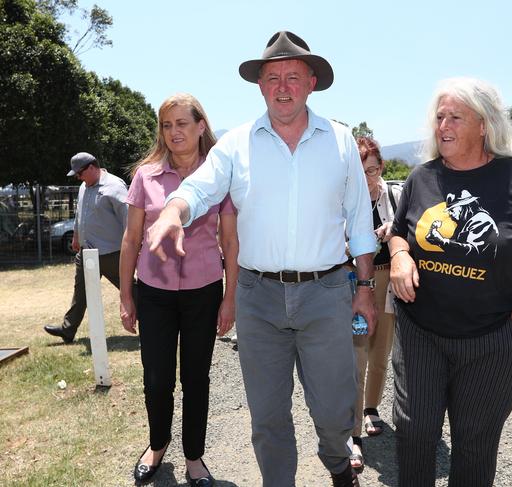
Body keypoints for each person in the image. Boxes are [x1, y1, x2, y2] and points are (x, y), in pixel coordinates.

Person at [146, 32, 377, 487]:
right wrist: (173, 210)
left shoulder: (342, 141)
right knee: (268, 417)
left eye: (293, 76)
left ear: (312, 82)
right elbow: (199, 187)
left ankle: (336, 463)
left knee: (333, 410)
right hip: (258, 296)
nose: (283, 86)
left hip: (327, 291)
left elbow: (359, 222)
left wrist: (365, 289)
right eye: (273, 77)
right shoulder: (235, 144)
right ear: (259, 86)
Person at [388, 77, 512, 486]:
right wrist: (399, 254)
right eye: (439, 117)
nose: (443, 126)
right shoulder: (422, 177)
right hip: (421, 332)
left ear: (484, 125)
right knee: (414, 433)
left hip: (491, 339)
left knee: (475, 445)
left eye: (455, 117)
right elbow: (400, 230)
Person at [119, 93, 238, 486]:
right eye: (167, 125)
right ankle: (157, 445)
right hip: (153, 292)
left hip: (204, 292)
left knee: (196, 378)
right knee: (156, 377)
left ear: (201, 126)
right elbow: (131, 239)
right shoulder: (145, 177)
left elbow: (231, 242)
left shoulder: (219, 176)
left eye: (182, 124)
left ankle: (194, 457)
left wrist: (229, 297)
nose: (174, 133)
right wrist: (125, 295)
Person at [348, 137, 401, 473]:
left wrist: (392, 228)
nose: (367, 177)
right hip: (355, 282)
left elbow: (409, 228)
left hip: (387, 279)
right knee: (357, 352)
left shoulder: (394, 194)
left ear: (381, 167)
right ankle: (353, 432)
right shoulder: (344, 196)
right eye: (361, 170)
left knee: (381, 350)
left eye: (372, 170)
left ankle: (371, 408)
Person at [43, 152, 128, 343]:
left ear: (91, 167)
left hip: (111, 253)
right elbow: (80, 213)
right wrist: (76, 236)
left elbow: (128, 218)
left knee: (130, 290)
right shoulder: (84, 186)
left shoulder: (114, 186)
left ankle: (153, 324)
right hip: (86, 252)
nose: (78, 178)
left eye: (79, 173)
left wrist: (132, 248)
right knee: (80, 292)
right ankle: (68, 329)